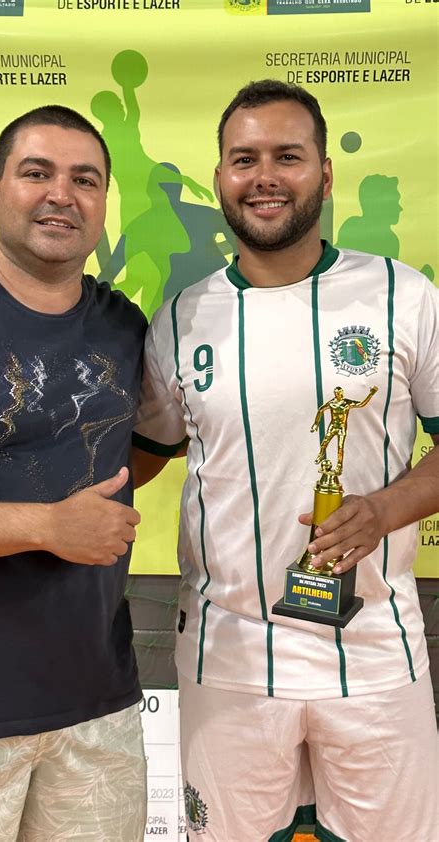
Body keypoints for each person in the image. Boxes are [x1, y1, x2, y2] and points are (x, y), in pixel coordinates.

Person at [132, 80, 439, 842]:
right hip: (225, 662)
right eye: (244, 159)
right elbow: (143, 455)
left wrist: (384, 510)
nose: (264, 176)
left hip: (374, 656)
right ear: (219, 180)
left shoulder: (405, 295)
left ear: (325, 175)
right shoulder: (181, 317)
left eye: (287, 157)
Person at [0, 105, 148, 841]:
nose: (60, 195)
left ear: (103, 202)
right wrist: (46, 526)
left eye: (85, 180)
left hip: (99, 708)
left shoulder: (125, 325)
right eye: (37, 173)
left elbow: (144, 457)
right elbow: (67, 522)